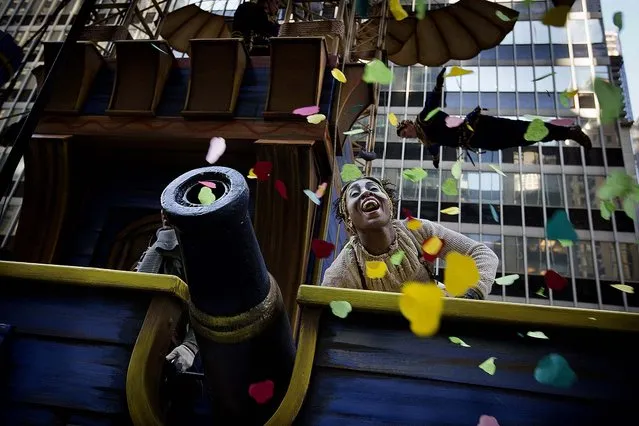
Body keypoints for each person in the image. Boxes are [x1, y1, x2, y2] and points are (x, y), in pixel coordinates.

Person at [321, 177, 499, 299]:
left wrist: (474, 291)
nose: (366, 193)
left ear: (389, 204)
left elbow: (480, 252)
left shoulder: (419, 231)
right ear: (349, 219)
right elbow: (323, 310)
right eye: (354, 194)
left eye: (373, 189)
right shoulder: (347, 267)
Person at [397, 67, 592, 169]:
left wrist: (438, 84)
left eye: (405, 133)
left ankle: (568, 131)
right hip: (481, 140)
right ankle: (566, 133)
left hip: (481, 127)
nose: (408, 136)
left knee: (523, 130)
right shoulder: (426, 139)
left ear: (408, 124)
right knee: (523, 138)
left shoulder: (423, 119)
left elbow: (433, 101)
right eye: (405, 137)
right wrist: (436, 159)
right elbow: (434, 148)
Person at [133, 210, 199, 373]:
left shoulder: (200, 254)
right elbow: (139, 286)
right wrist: (166, 237)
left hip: (169, 345)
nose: (165, 213)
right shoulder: (157, 244)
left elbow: (212, 307)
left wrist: (190, 346)